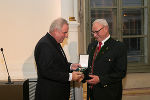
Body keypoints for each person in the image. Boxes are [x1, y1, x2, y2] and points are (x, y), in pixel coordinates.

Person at [34, 17, 83, 100]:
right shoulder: (45, 45)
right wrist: (70, 76)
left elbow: (57, 64)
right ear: (56, 31)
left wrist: (71, 66)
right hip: (50, 95)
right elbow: (46, 71)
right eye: (65, 32)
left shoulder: (54, 42)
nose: (66, 36)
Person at [83, 19, 127, 100]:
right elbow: (90, 66)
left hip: (109, 94)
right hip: (92, 93)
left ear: (106, 29)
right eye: (93, 32)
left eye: (97, 32)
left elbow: (121, 73)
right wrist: (82, 74)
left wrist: (100, 79)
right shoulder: (91, 46)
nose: (94, 35)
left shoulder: (118, 47)